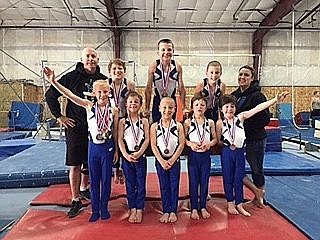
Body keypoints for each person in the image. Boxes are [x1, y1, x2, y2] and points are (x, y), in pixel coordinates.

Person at [44, 67, 119, 222]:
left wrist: (116, 150)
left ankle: (104, 209)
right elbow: (69, 95)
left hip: (108, 147)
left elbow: (116, 131)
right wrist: (53, 82)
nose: (103, 95)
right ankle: (95, 210)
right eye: (99, 92)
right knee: (94, 179)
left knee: (106, 180)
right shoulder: (88, 106)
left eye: (105, 92)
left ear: (109, 92)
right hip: (94, 148)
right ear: (94, 93)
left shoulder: (114, 110)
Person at [218, 92, 288, 217]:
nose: (229, 109)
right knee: (228, 178)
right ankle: (230, 202)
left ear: (235, 108)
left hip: (239, 153)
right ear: (221, 109)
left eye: (232, 106)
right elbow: (218, 140)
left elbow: (258, 108)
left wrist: (275, 100)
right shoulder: (219, 123)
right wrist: (228, 144)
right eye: (226, 106)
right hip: (227, 152)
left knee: (238, 178)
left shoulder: (240, 117)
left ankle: (239, 203)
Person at [231, 65, 270, 208]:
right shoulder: (234, 95)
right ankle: (257, 192)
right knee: (236, 169)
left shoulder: (257, 96)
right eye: (240, 74)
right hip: (239, 140)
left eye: (246, 75)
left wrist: (246, 129)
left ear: (252, 78)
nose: (242, 77)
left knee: (256, 169)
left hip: (255, 138)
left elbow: (265, 118)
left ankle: (260, 197)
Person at [150, 97, 185, 223]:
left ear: (175, 109)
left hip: (174, 161)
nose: (167, 110)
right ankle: (166, 210)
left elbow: (181, 144)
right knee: (164, 186)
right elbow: (153, 145)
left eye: (170, 107)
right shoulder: (154, 126)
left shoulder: (179, 126)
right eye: (164, 107)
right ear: (159, 108)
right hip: (160, 161)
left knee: (174, 186)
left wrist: (173, 159)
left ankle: (173, 211)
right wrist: (161, 161)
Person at [184, 93, 218, 220]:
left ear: (206, 107)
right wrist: (190, 144)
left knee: (204, 181)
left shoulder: (210, 122)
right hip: (193, 156)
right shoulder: (188, 122)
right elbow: (184, 140)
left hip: (205, 156)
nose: (199, 107)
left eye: (202, 105)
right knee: (193, 182)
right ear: (192, 107)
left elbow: (215, 139)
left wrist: (209, 144)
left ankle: (203, 206)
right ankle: (194, 208)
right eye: (197, 105)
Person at [118, 91, 150, 224]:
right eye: (130, 102)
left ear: (140, 105)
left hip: (140, 156)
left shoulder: (144, 121)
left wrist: (140, 152)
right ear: (126, 105)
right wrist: (125, 154)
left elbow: (147, 139)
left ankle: (140, 208)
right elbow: (119, 139)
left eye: (136, 102)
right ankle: (132, 207)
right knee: (130, 183)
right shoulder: (122, 122)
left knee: (141, 183)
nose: (133, 104)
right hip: (127, 157)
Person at [144, 38, 186, 123]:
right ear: (158, 52)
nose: (166, 52)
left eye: (169, 50)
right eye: (163, 50)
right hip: (158, 100)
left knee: (171, 124)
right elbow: (148, 88)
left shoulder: (177, 66)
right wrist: (147, 108)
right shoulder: (153, 66)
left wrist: (183, 107)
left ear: (173, 51)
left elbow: (181, 88)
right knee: (156, 125)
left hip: (172, 101)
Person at [107, 58, 135, 184]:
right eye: (114, 69)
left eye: (120, 69)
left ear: (124, 71)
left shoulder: (129, 84)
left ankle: (124, 169)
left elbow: (133, 101)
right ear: (109, 72)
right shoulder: (105, 84)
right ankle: (114, 169)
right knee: (112, 143)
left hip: (124, 118)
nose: (117, 71)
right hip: (109, 119)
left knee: (124, 142)